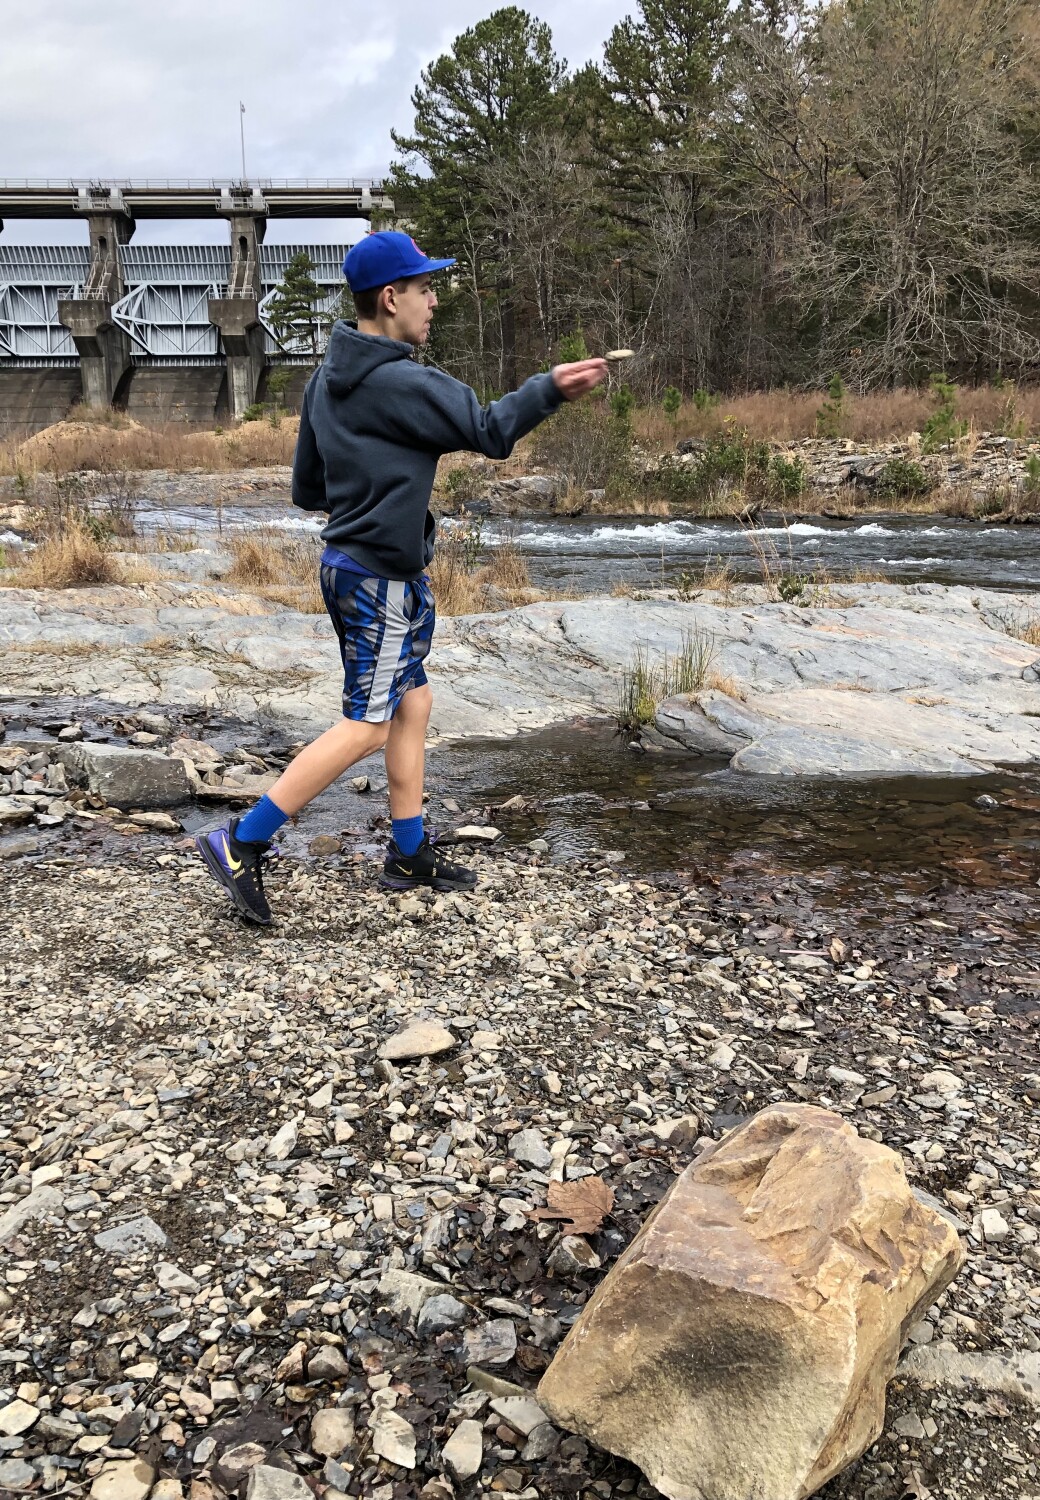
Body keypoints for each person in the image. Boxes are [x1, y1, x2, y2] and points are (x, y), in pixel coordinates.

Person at [196, 230, 607, 925]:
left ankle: (409, 855)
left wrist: (372, 491)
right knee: (366, 723)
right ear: (390, 299)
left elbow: (306, 487)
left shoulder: (326, 378)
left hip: (353, 567)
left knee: (411, 703)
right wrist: (551, 388)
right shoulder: (402, 379)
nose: (434, 301)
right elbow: (489, 429)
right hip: (381, 578)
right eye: (424, 289)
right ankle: (241, 842)